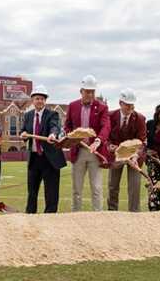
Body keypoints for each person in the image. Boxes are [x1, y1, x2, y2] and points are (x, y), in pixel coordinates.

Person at [64, 75, 110, 212]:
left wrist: (98, 140)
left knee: (96, 188)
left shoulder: (102, 107)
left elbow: (105, 126)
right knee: (76, 189)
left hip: (94, 151)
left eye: (92, 91)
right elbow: (67, 126)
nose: (90, 94)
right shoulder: (72, 106)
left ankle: (98, 217)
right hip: (78, 152)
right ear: (81, 91)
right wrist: (72, 137)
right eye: (87, 91)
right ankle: (76, 216)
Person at [20, 85, 66, 213]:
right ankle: (30, 216)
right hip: (34, 158)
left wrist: (53, 134)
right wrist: (23, 134)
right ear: (32, 100)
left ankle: (50, 217)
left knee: (51, 192)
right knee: (32, 192)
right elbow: (23, 130)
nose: (39, 101)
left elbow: (54, 127)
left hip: (49, 159)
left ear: (45, 100)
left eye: (42, 98)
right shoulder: (28, 115)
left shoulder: (52, 114)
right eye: (37, 98)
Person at [107, 88, 146, 212]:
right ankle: (112, 212)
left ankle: (134, 214)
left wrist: (135, 156)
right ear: (120, 103)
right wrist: (110, 147)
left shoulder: (140, 118)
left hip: (134, 156)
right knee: (113, 186)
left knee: (134, 187)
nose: (130, 107)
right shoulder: (110, 116)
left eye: (132, 105)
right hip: (116, 155)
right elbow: (105, 136)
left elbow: (141, 141)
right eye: (127, 104)